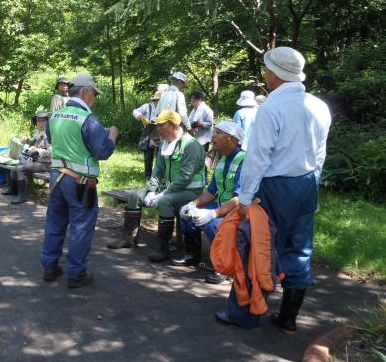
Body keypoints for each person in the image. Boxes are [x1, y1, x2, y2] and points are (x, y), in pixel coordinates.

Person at [215, 47, 331, 333]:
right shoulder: (318, 105)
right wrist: (311, 188)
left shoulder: (272, 108)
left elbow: (258, 158)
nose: (265, 74)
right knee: (299, 249)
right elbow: (320, 153)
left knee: (256, 249)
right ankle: (288, 318)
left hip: (275, 186)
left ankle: (244, 315)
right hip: (306, 183)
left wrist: (244, 198)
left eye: (267, 69)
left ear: (274, 74)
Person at [41, 74, 118, 288]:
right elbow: (102, 151)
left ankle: (50, 267)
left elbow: (53, 138)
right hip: (80, 183)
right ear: (86, 92)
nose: (95, 99)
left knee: (55, 222)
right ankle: (76, 273)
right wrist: (112, 135)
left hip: (57, 177)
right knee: (81, 226)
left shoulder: (55, 116)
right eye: (94, 94)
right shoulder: (88, 119)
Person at [106, 110, 205, 261]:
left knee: (165, 201)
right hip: (172, 189)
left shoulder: (191, 145)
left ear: (173, 125)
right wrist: (151, 190)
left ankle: (162, 246)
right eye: (157, 125)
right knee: (136, 196)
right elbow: (158, 170)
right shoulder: (165, 144)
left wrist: (162, 195)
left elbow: (185, 177)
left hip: (191, 191)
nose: (157, 128)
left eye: (161, 125)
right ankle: (128, 238)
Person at [177, 121, 245, 283]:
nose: (213, 136)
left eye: (218, 133)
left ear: (232, 138)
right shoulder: (222, 160)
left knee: (215, 225)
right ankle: (192, 255)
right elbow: (211, 191)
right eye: (214, 132)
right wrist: (193, 204)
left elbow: (240, 198)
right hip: (222, 206)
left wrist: (213, 213)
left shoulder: (244, 161)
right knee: (186, 214)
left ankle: (224, 268)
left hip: (238, 210)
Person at [2, 110, 52, 204]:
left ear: (47, 122)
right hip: (37, 161)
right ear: (36, 122)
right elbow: (33, 141)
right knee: (14, 168)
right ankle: (13, 189)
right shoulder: (39, 132)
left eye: (43, 121)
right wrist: (26, 140)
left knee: (20, 169)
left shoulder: (49, 134)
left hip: (46, 164)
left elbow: (52, 152)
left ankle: (22, 196)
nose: (40, 123)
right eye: (38, 120)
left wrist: (38, 150)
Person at [133, 84, 167, 178]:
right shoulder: (147, 106)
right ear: (155, 100)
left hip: (161, 132)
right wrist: (141, 117)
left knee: (161, 154)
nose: (158, 102)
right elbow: (135, 111)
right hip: (149, 131)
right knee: (148, 155)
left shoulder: (165, 108)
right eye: (157, 100)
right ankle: (148, 174)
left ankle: (160, 174)